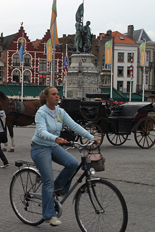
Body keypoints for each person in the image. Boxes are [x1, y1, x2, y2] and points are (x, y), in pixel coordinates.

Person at [30, 86, 99, 226]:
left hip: (53, 146)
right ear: (46, 98)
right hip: (40, 148)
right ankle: (49, 215)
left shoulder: (60, 112)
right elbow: (41, 131)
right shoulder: (41, 112)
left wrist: (91, 137)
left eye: (57, 94)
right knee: (48, 180)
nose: (57, 96)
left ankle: (58, 188)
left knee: (73, 163)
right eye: (53, 94)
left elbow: (74, 125)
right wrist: (54, 138)